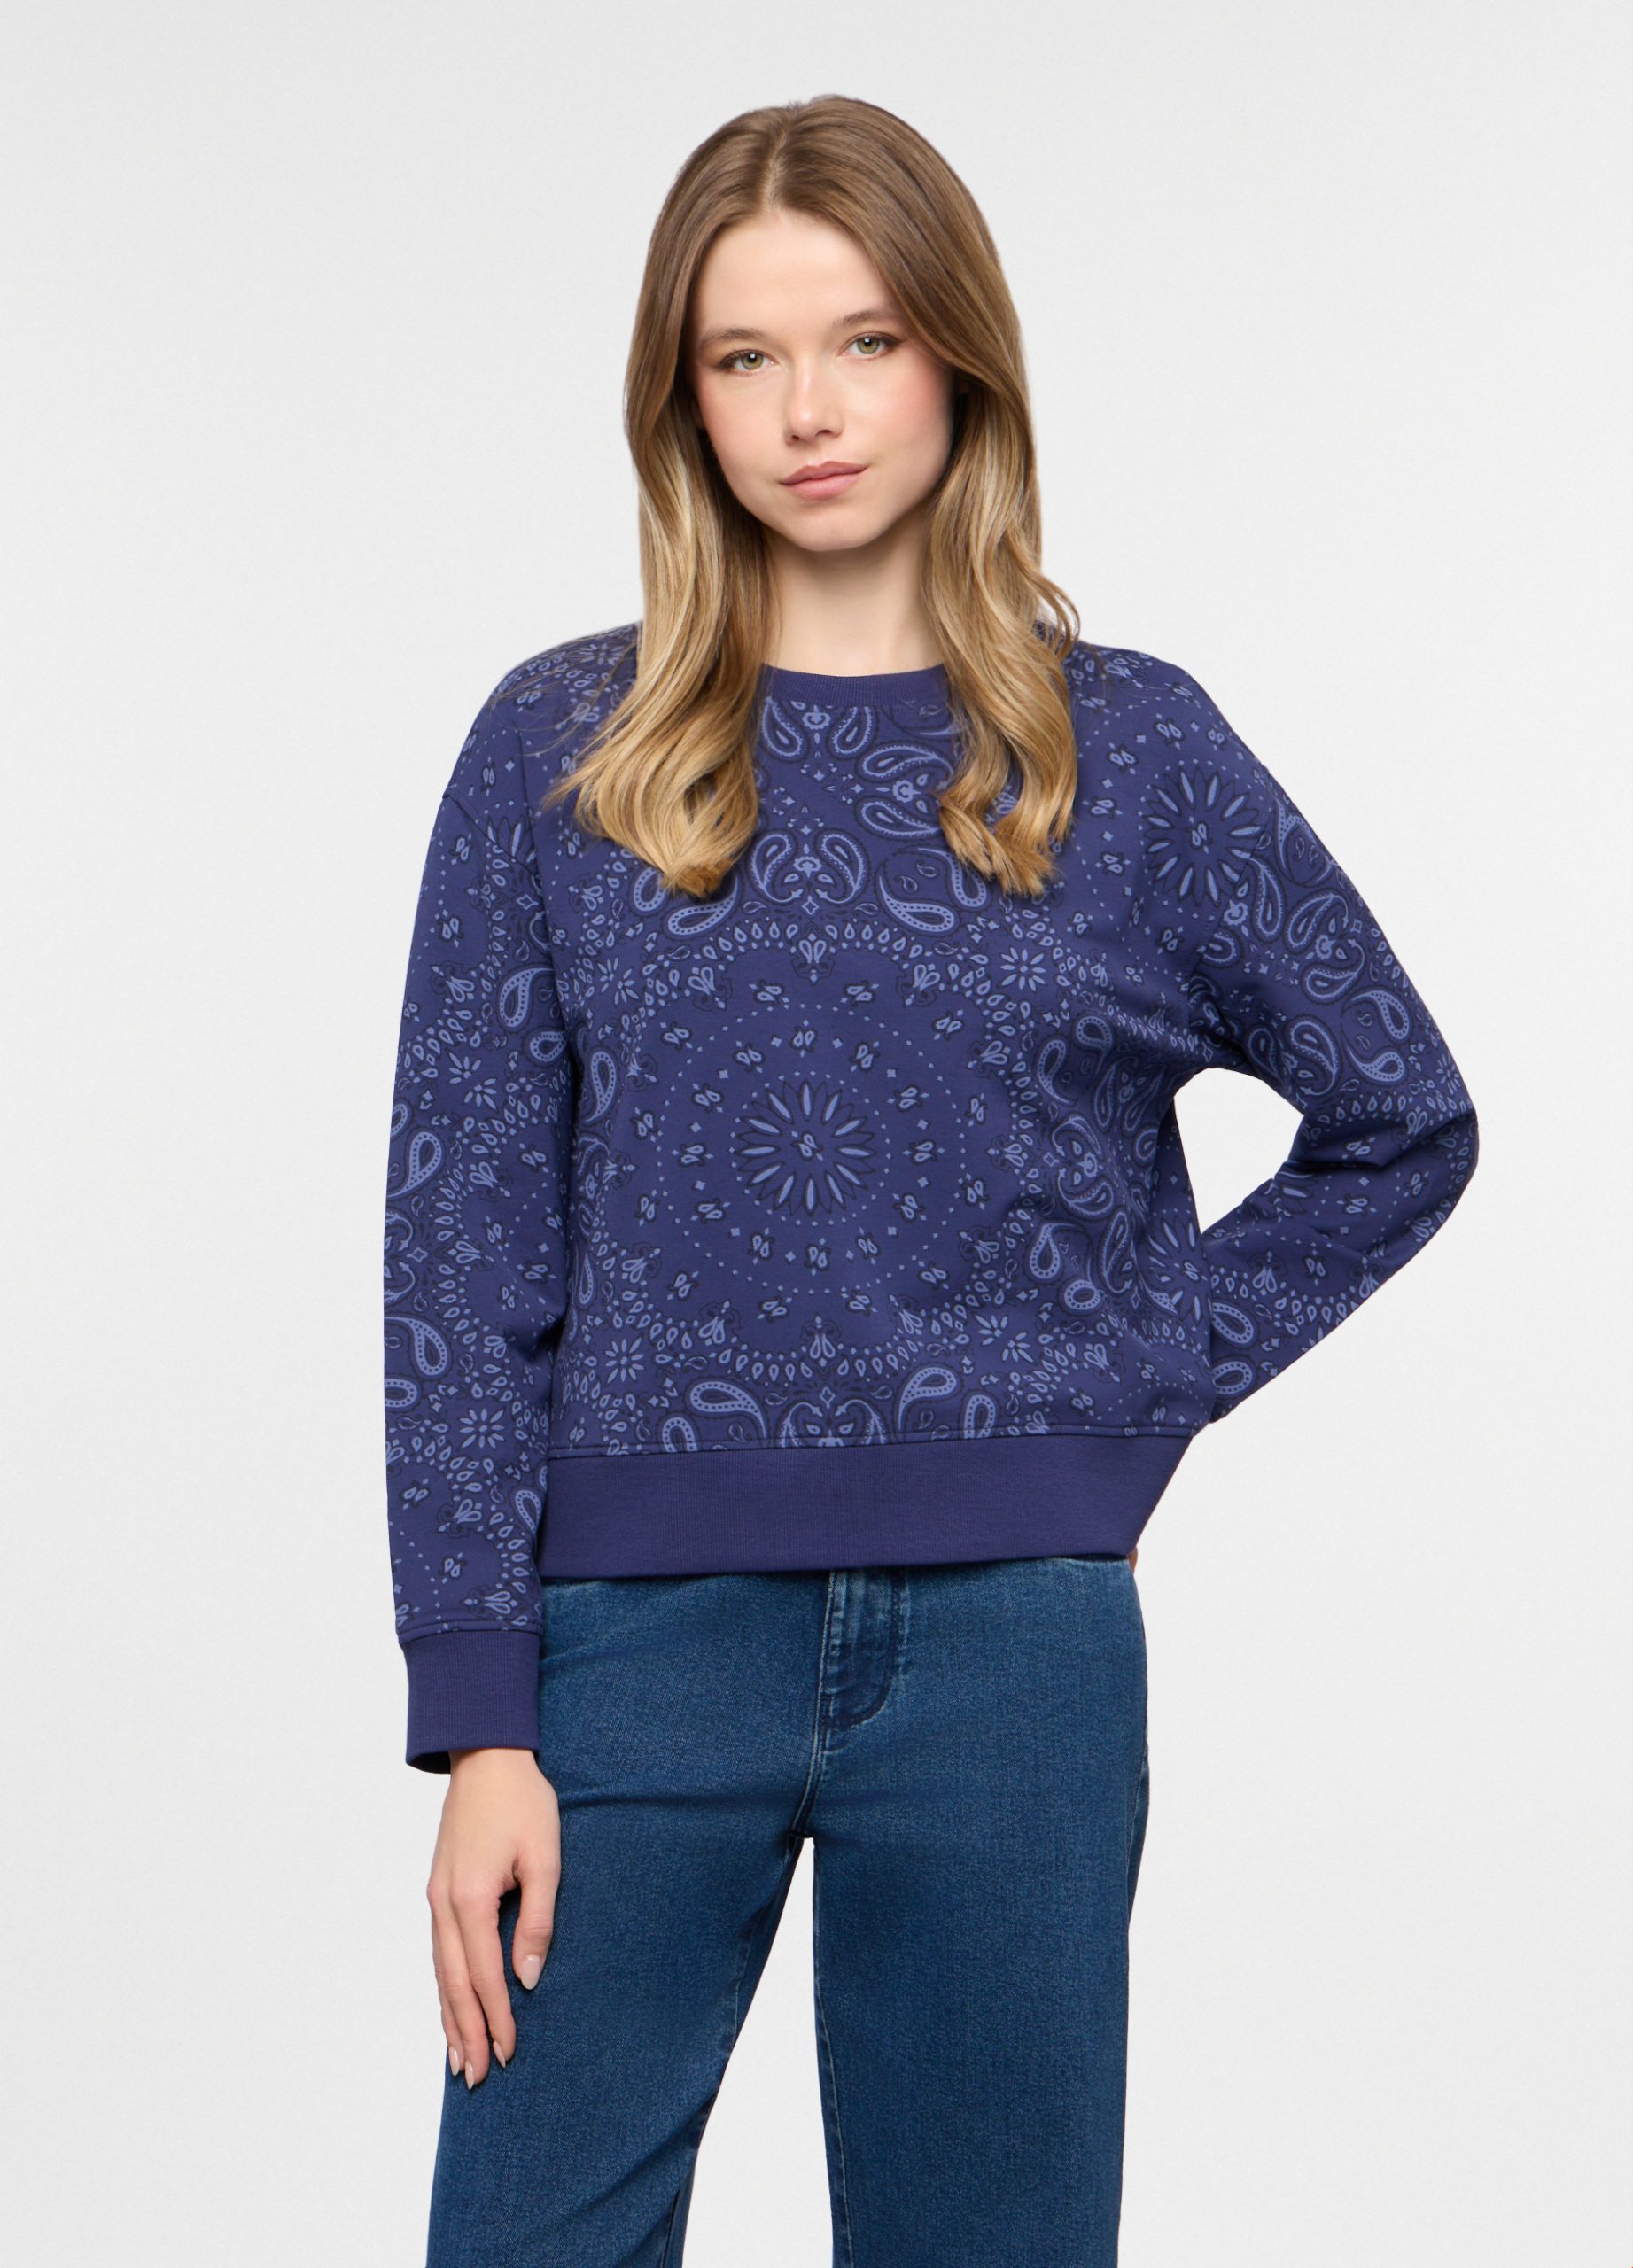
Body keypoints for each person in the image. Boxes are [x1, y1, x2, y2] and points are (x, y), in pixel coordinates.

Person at [380, 94, 1479, 2268]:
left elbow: (1401, 1115)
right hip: (627, 1654)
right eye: (745, 356)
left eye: (863, 341)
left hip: (1012, 1660)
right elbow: (459, 1248)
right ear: (681, 398)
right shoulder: (560, 749)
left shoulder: (1128, 749)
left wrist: (1119, 1387)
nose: (808, 410)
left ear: (958, 357)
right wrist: (477, 1716)